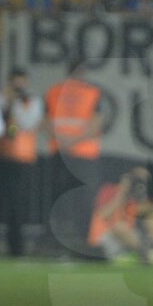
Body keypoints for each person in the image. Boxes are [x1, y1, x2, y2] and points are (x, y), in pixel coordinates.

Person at [44, 61, 105, 253]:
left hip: (64, 152)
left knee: (64, 199)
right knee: (75, 199)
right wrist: (73, 140)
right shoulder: (91, 93)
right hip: (81, 153)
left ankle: (62, 242)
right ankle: (78, 242)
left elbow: (46, 122)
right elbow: (96, 124)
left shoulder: (54, 91)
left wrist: (63, 140)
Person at [0, 69, 43, 257]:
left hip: (21, 161)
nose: (18, 88)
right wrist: (5, 100)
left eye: (21, 84)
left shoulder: (32, 102)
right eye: (14, 84)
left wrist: (16, 104)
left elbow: (27, 123)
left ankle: (16, 248)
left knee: (17, 206)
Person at [87, 167, 153, 267]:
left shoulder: (137, 196)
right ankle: (149, 256)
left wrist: (142, 197)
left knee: (152, 220)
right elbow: (103, 214)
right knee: (119, 226)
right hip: (109, 238)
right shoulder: (109, 189)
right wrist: (122, 192)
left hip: (132, 241)